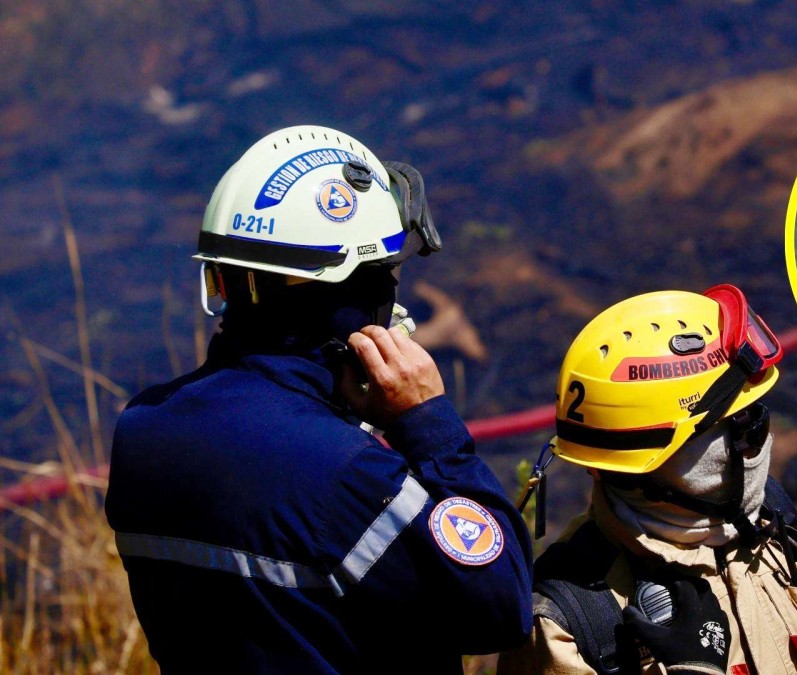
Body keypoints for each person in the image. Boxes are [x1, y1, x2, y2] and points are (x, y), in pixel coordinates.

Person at [104, 125, 533, 673]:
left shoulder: (141, 430)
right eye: (387, 275)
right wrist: (428, 424)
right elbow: (502, 607)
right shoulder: (348, 474)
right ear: (358, 295)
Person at [497, 285, 797, 675]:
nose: (759, 441)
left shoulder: (769, 521)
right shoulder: (567, 625)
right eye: (744, 425)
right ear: (661, 459)